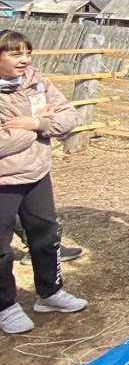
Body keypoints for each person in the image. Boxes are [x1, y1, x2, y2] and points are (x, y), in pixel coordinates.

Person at [0, 29, 87, 336]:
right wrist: (35, 129)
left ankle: (49, 293)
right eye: (15, 54)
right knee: (1, 248)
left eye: (27, 53)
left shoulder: (37, 81)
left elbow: (69, 117)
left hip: (37, 173)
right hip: (4, 180)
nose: (24, 60)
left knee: (46, 234)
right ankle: (5, 305)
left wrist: (36, 122)